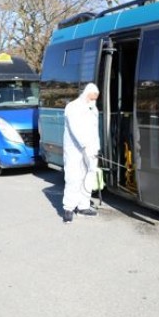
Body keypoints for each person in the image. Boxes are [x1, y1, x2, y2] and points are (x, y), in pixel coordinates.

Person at [62, 83, 100, 223]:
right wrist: (85, 146)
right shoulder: (73, 107)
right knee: (73, 177)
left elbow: (94, 130)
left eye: (96, 97)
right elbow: (75, 129)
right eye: (92, 96)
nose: (94, 99)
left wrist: (95, 148)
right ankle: (69, 208)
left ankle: (83, 206)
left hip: (90, 149)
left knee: (88, 177)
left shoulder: (92, 108)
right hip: (75, 150)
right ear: (86, 94)